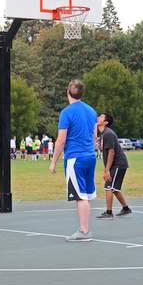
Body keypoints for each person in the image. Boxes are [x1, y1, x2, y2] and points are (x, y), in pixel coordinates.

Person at [49, 79, 97, 241]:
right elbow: (94, 135)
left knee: (80, 195)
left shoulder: (67, 113)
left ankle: (84, 231)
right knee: (86, 194)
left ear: (68, 92)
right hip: (90, 156)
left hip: (75, 157)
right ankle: (85, 227)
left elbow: (61, 140)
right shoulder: (91, 111)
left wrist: (53, 161)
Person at [96, 113, 132, 219]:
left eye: (101, 117)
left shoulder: (108, 134)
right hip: (114, 164)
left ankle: (109, 212)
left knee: (108, 187)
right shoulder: (103, 135)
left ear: (106, 122)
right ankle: (126, 208)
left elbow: (111, 152)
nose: (98, 117)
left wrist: (107, 170)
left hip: (118, 164)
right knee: (114, 188)